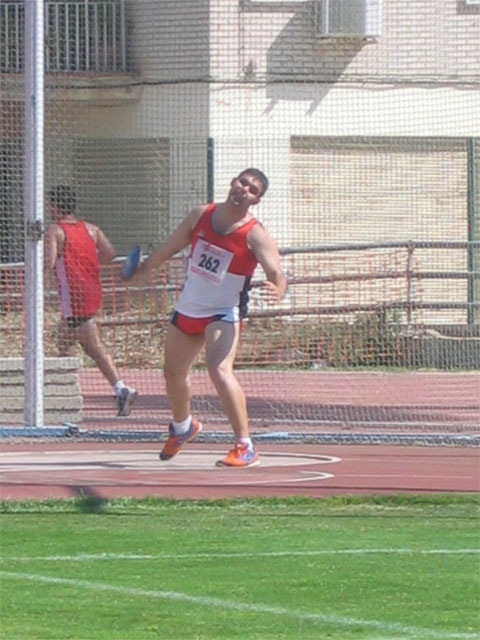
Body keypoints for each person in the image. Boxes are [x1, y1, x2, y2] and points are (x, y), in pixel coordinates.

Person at [131, 168, 287, 467]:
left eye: (253, 189)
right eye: (243, 182)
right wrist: (144, 268)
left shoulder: (255, 234)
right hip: (188, 308)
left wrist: (279, 289)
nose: (245, 189)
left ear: (256, 200)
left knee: (220, 370)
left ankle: (245, 445)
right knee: (173, 374)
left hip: (223, 312)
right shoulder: (200, 215)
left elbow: (276, 272)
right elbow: (169, 248)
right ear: (233, 182)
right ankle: (182, 427)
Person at [46, 185, 137, 417]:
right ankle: (59, 395)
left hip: (74, 296)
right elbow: (109, 253)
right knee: (65, 342)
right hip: (91, 289)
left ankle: (121, 388)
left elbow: (49, 262)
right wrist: (87, 263)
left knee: (93, 347)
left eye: (50, 206)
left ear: (55, 208)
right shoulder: (91, 229)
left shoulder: (55, 231)